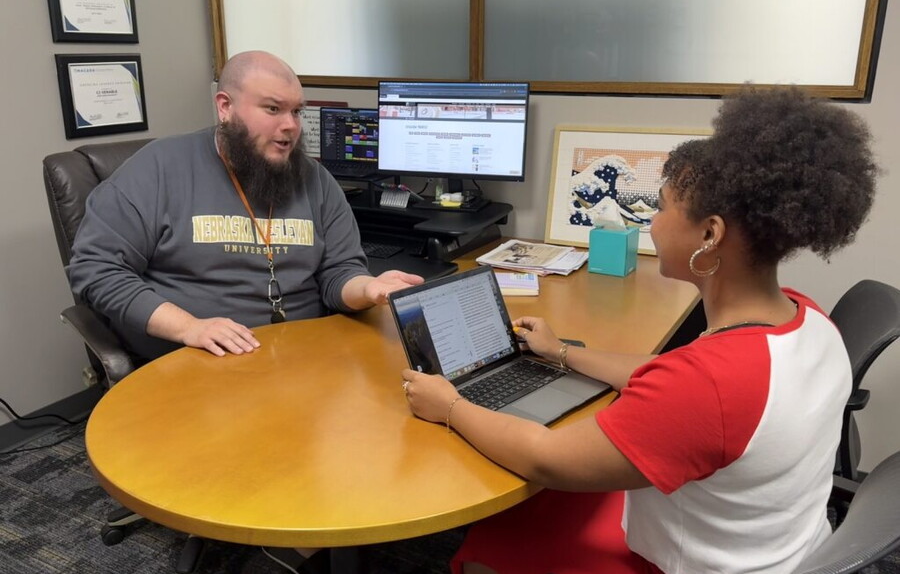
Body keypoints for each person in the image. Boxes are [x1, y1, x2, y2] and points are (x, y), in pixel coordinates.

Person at [401, 87, 879, 574]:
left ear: (709, 235)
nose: (651, 221)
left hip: (691, 564)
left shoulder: (710, 383)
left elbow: (544, 458)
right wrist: (561, 352)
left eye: (663, 206)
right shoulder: (809, 320)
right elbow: (668, 377)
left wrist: (451, 407)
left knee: (494, 539)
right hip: (781, 547)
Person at [68, 51, 422, 361]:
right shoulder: (159, 168)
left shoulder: (315, 180)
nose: (290, 127)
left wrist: (368, 288)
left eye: (297, 111)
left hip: (307, 355)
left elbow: (339, 272)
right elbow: (96, 269)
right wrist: (189, 327)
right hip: (198, 360)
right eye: (273, 109)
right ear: (225, 107)